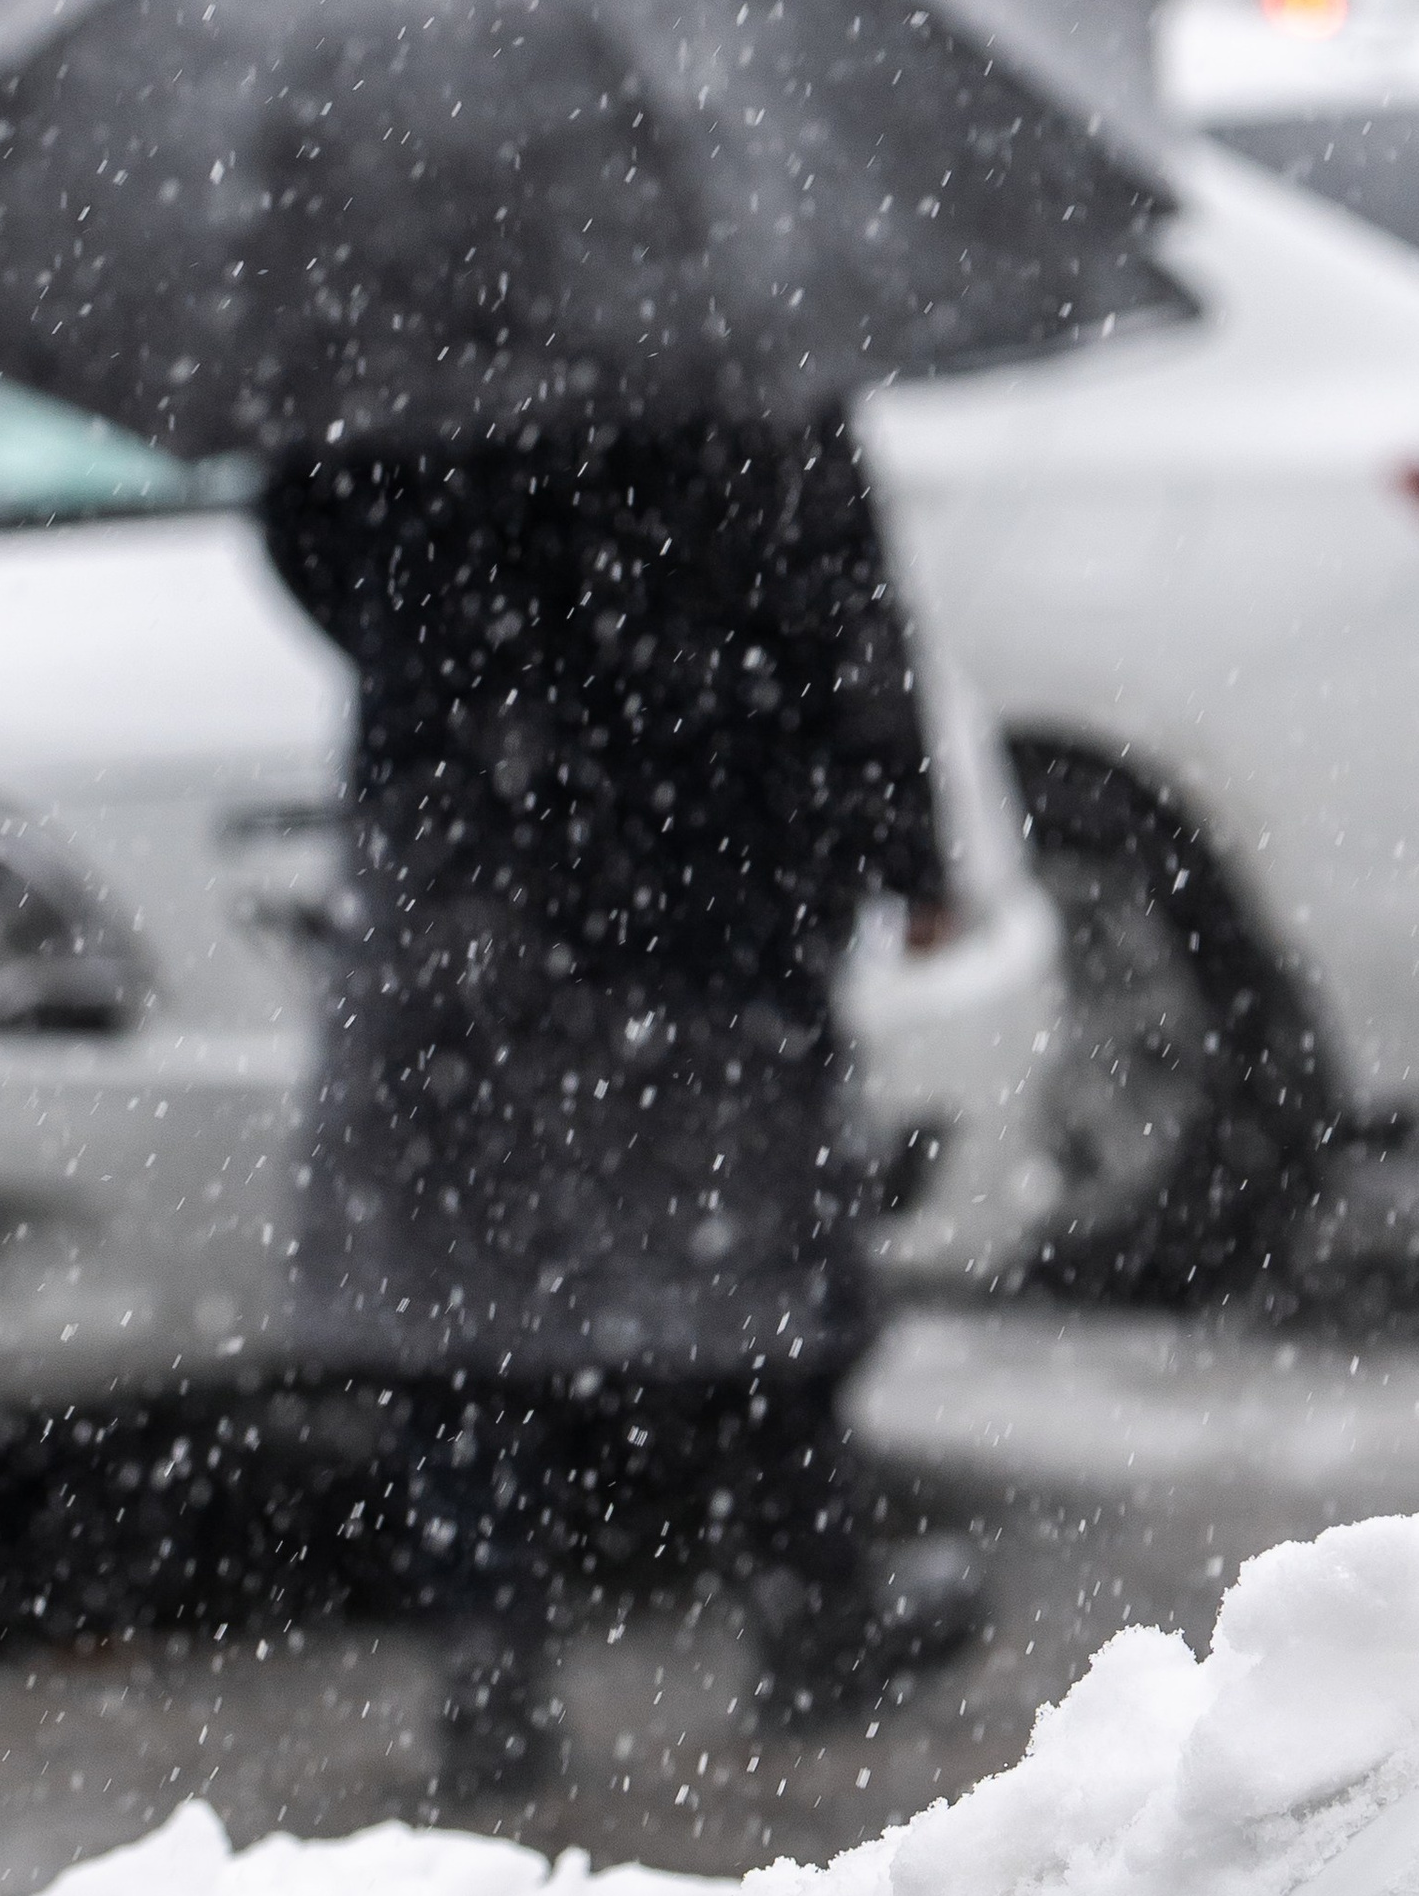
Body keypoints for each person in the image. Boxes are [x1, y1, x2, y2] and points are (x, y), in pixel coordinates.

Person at [261, 408, 985, 1795]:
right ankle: (811, 1601)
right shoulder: (737, 337)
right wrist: (902, 840)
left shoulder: (392, 343)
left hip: (464, 859)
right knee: (745, 1264)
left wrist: (468, 661)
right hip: (707, 853)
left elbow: (308, 531)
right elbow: (838, 595)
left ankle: (492, 1661)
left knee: (464, 1280)